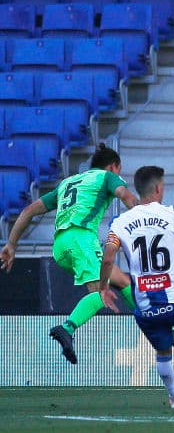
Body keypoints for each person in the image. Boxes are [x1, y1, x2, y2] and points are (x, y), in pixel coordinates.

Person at [1, 143, 139, 365]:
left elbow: (28, 211)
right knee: (100, 293)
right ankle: (67, 328)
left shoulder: (67, 183)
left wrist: (11, 244)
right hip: (81, 239)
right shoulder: (107, 177)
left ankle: (152, 323)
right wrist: (147, 216)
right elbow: (127, 197)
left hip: (61, 247)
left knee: (121, 280)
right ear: (114, 166)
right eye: (119, 170)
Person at [100, 166, 174, 408]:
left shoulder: (119, 222)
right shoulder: (173, 214)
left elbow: (108, 257)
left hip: (145, 305)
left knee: (163, 351)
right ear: (157, 188)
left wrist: (104, 287)